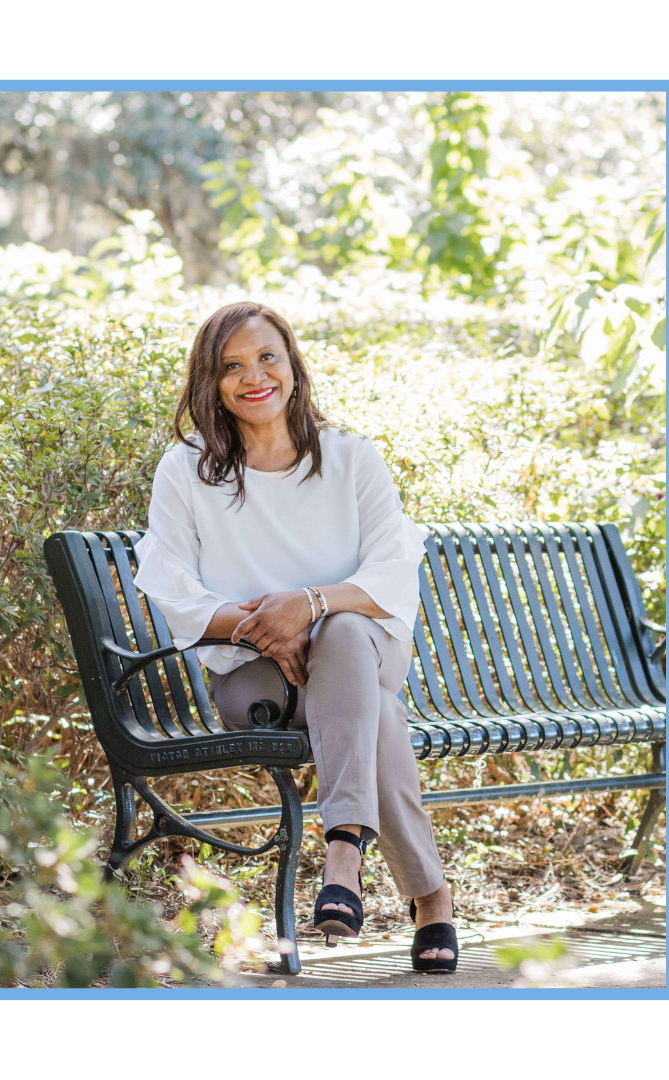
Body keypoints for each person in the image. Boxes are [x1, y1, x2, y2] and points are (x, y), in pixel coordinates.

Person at [133, 301, 458, 973]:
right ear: (211, 382)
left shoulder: (350, 459)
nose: (253, 376)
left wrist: (307, 607)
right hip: (254, 675)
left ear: (292, 366)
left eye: (267, 357)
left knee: (342, 631)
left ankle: (343, 851)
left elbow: (392, 575)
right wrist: (264, 627)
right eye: (232, 366)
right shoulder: (187, 470)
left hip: (362, 647)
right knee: (379, 715)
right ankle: (427, 896)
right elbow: (171, 587)